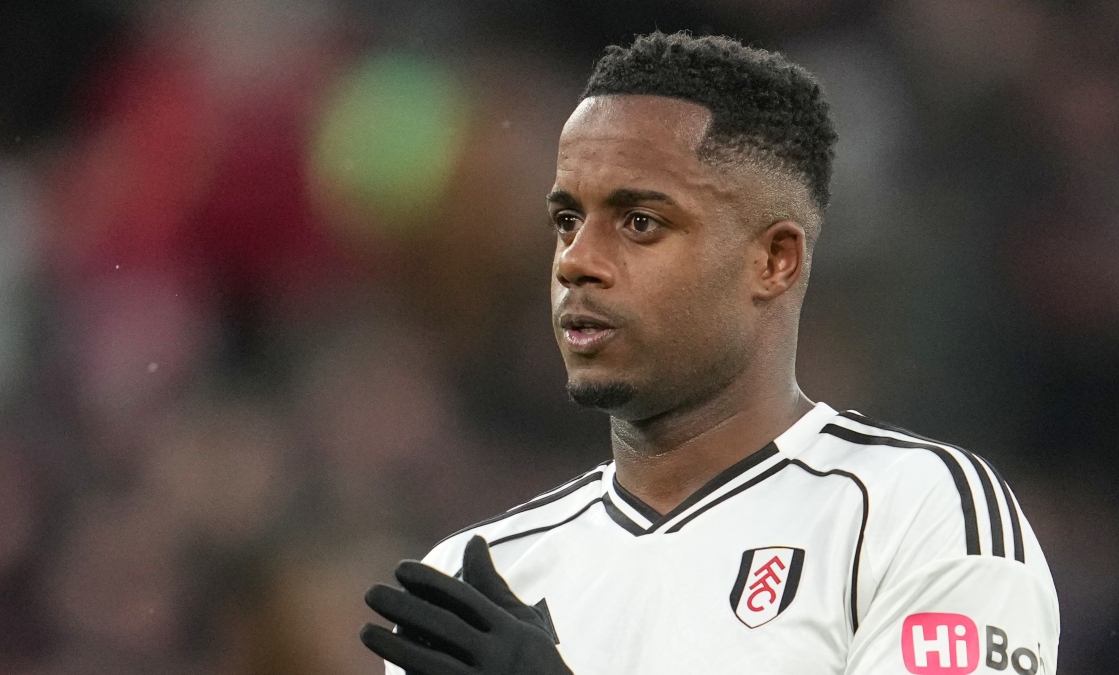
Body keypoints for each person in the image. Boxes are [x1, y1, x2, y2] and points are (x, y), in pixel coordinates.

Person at [360, 31, 1059, 675]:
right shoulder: (477, 583)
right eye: (567, 220)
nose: (576, 260)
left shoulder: (913, 512)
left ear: (774, 260)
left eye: (640, 222)